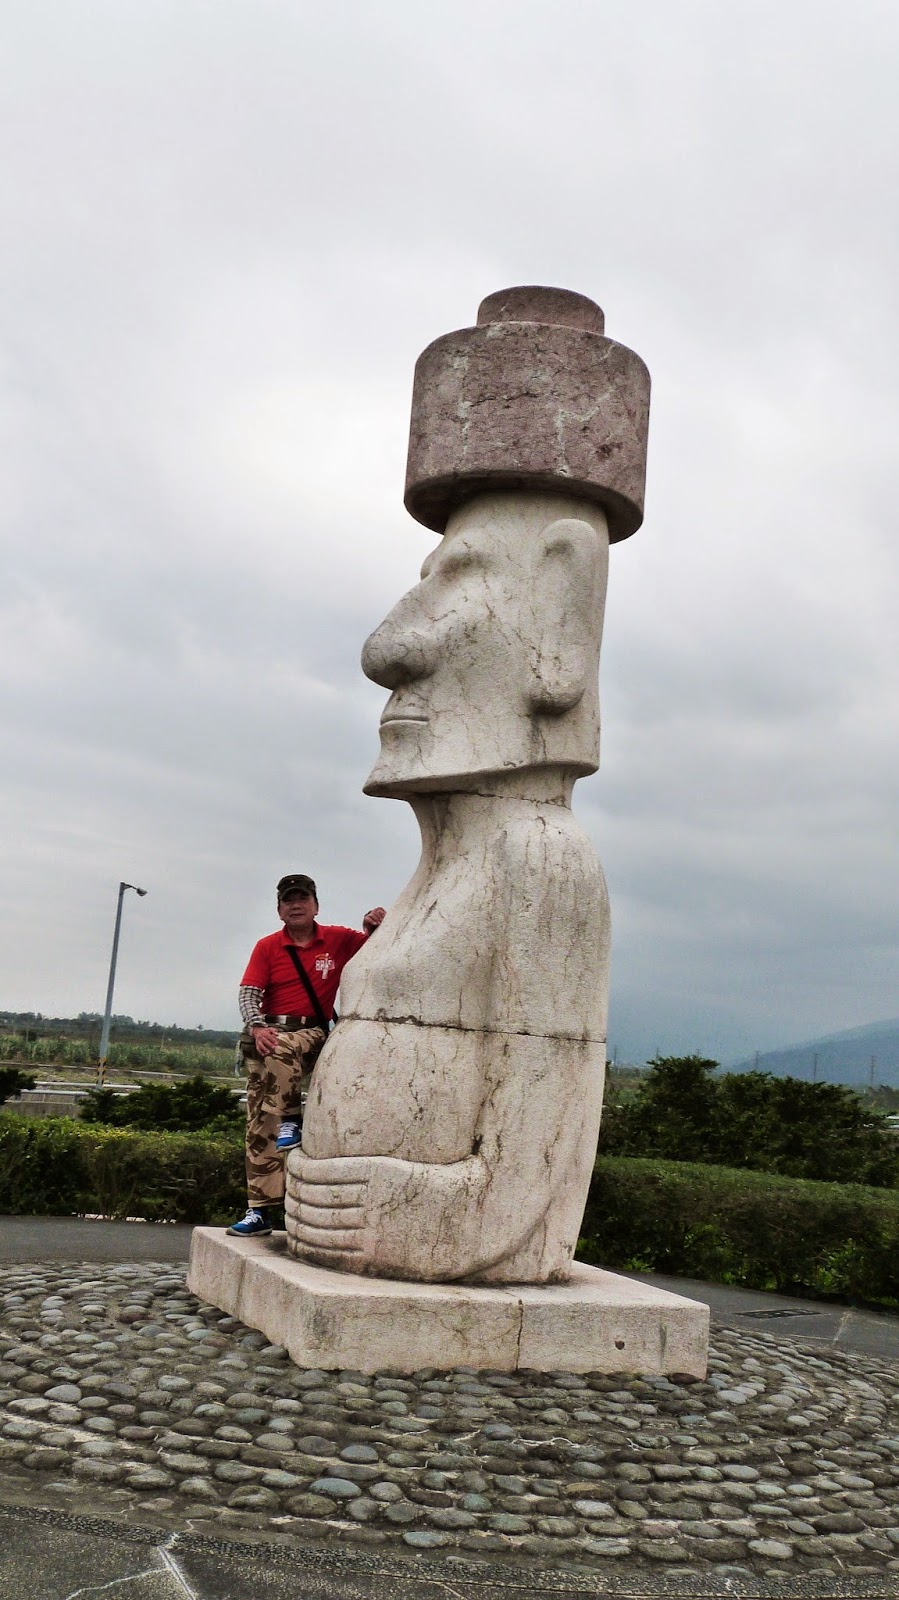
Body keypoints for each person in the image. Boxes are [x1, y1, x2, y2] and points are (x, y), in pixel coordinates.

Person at [227, 873, 384, 1237]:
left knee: (281, 1050)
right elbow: (249, 993)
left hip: (311, 1032)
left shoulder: (339, 939)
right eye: (288, 900)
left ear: (316, 906)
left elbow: (376, 952)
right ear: (279, 910)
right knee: (258, 1123)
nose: (295, 905)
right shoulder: (268, 946)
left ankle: (291, 1118)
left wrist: (372, 927)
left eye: (302, 898)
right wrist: (256, 1026)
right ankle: (259, 1211)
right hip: (267, 1034)